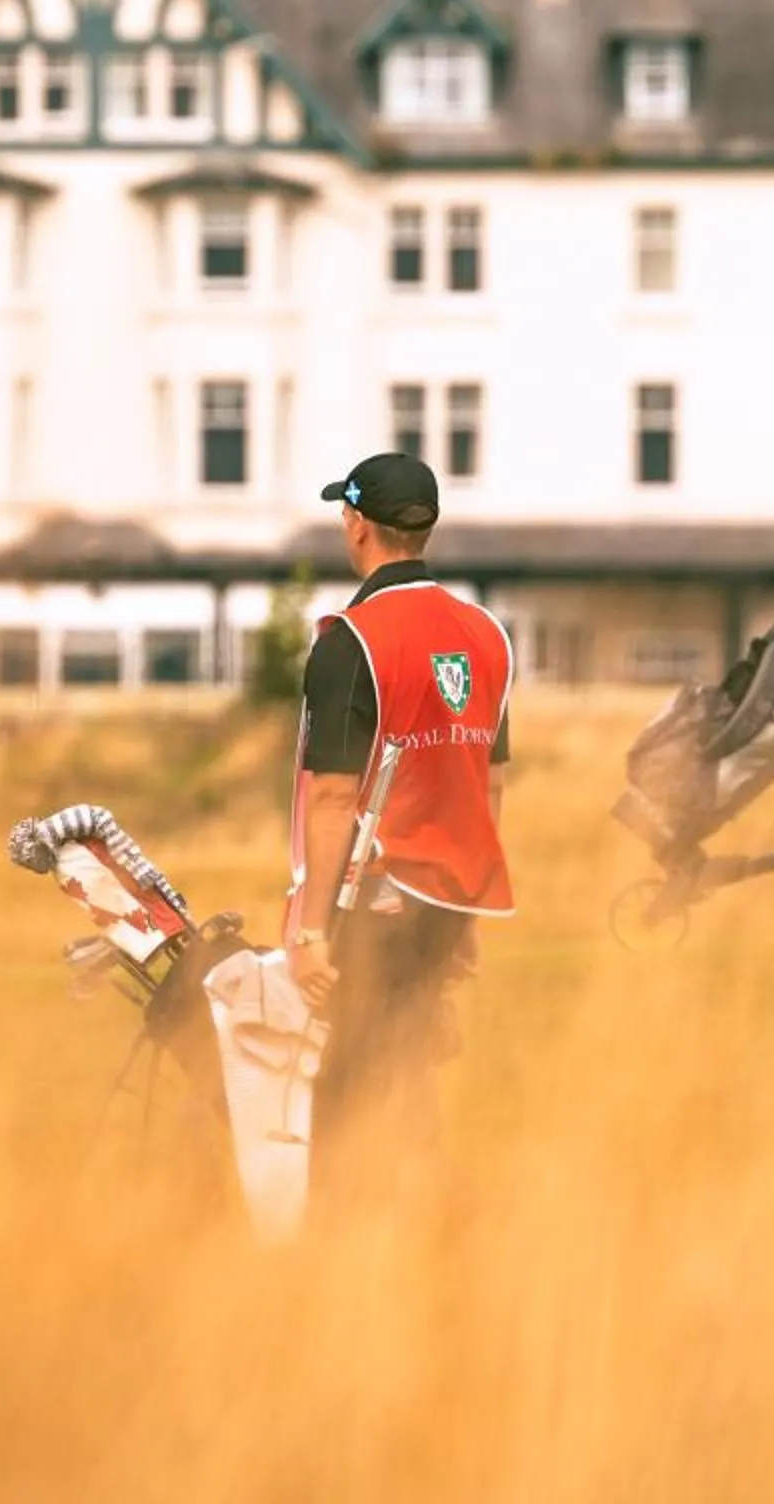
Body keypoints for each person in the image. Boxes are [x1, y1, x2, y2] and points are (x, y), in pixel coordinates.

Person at [286, 451, 515, 1208]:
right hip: (449, 901)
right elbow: (488, 783)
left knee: (345, 1084)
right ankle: (437, 1229)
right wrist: (473, 907)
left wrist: (312, 927)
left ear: (357, 524)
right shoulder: (485, 634)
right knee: (409, 1063)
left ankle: (339, 1243)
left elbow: (332, 798)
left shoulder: (348, 641)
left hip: (373, 903)